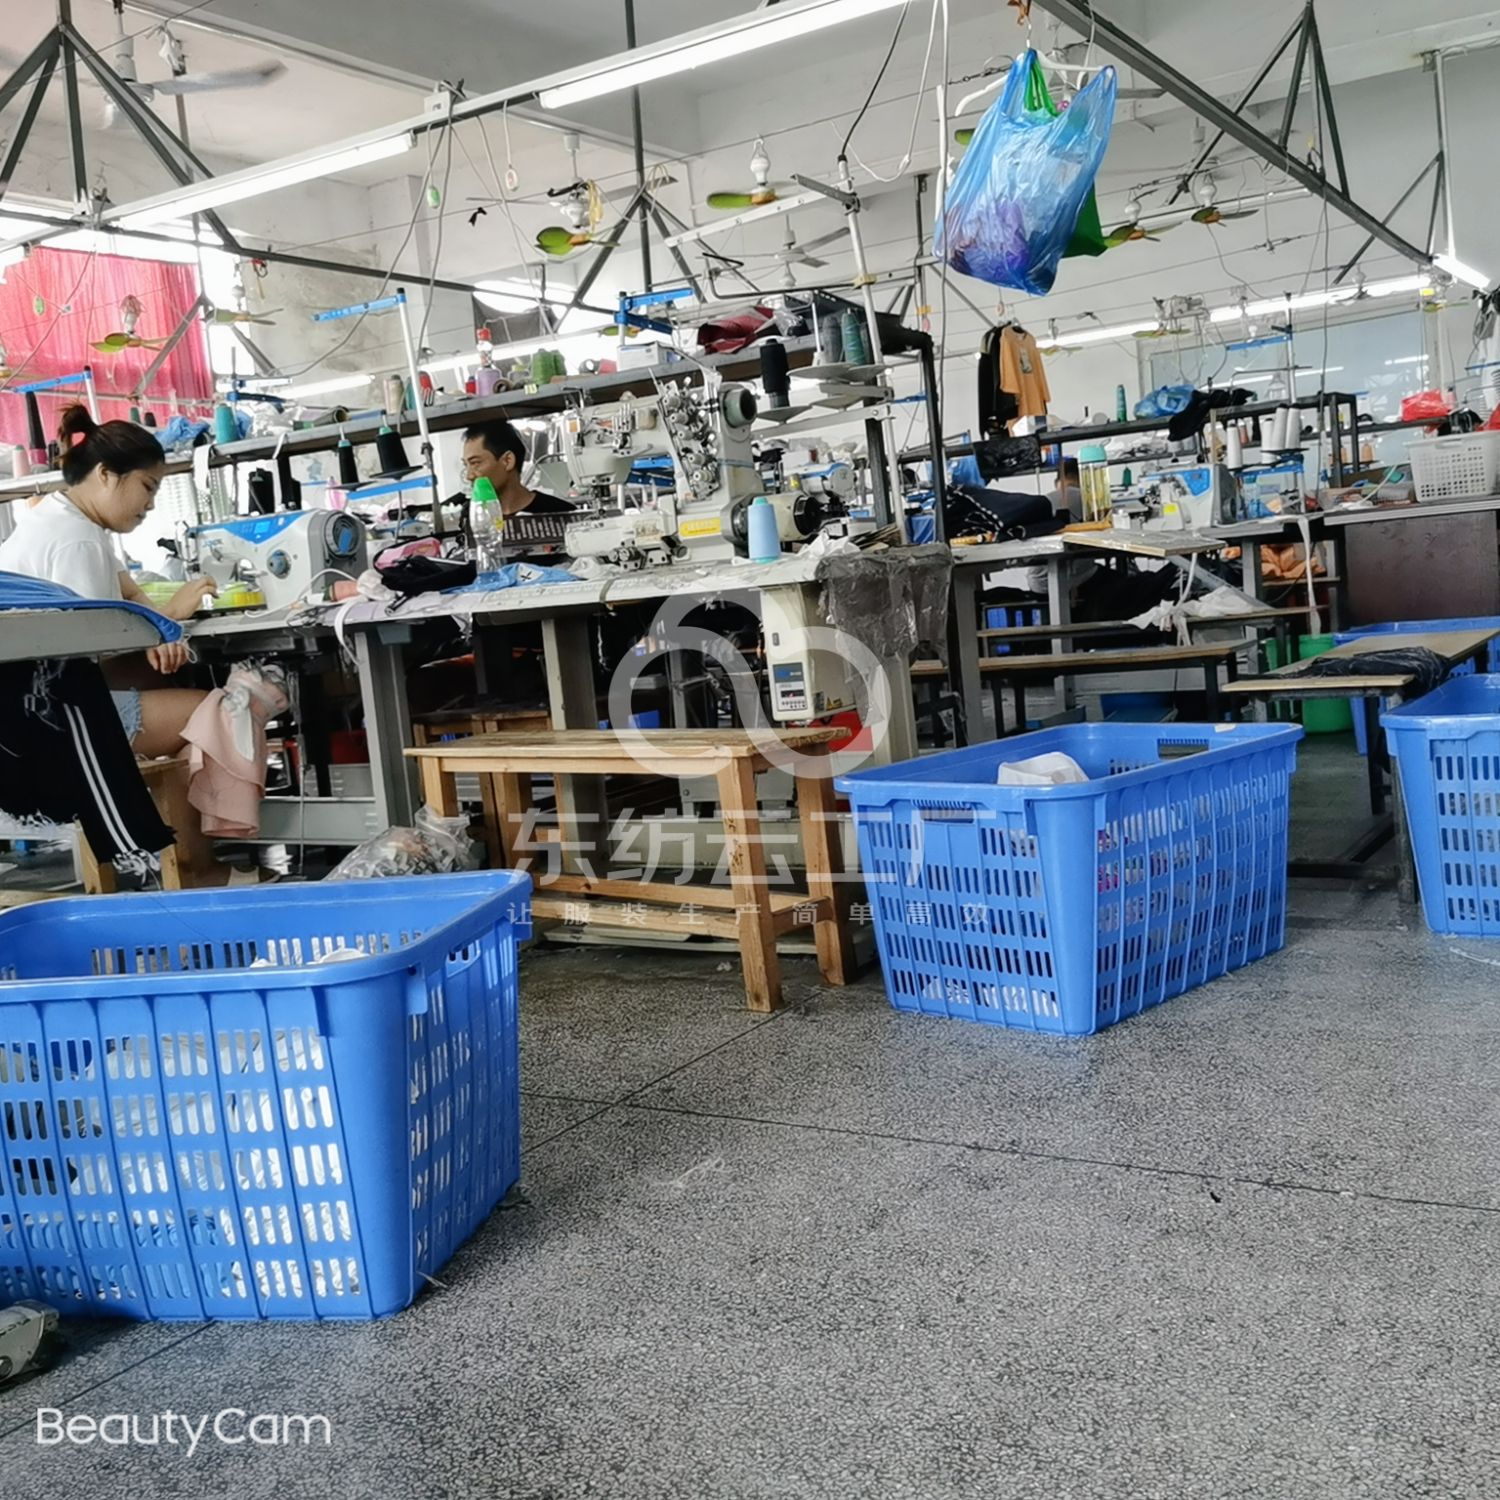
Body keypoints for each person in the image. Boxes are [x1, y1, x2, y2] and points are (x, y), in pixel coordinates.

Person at [0, 404, 231, 884]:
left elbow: (125, 588)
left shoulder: (64, 516)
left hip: (27, 696)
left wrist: (159, 623)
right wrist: (171, 618)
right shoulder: (77, 540)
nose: (150, 504)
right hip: (42, 716)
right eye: (147, 487)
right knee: (212, 711)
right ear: (106, 475)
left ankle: (184, 858)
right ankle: (196, 870)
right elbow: (92, 650)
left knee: (169, 679)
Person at [461, 419, 576, 516]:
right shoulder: (472, 515)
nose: (469, 476)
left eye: (475, 463)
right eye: (466, 465)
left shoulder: (559, 512)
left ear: (508, 461)